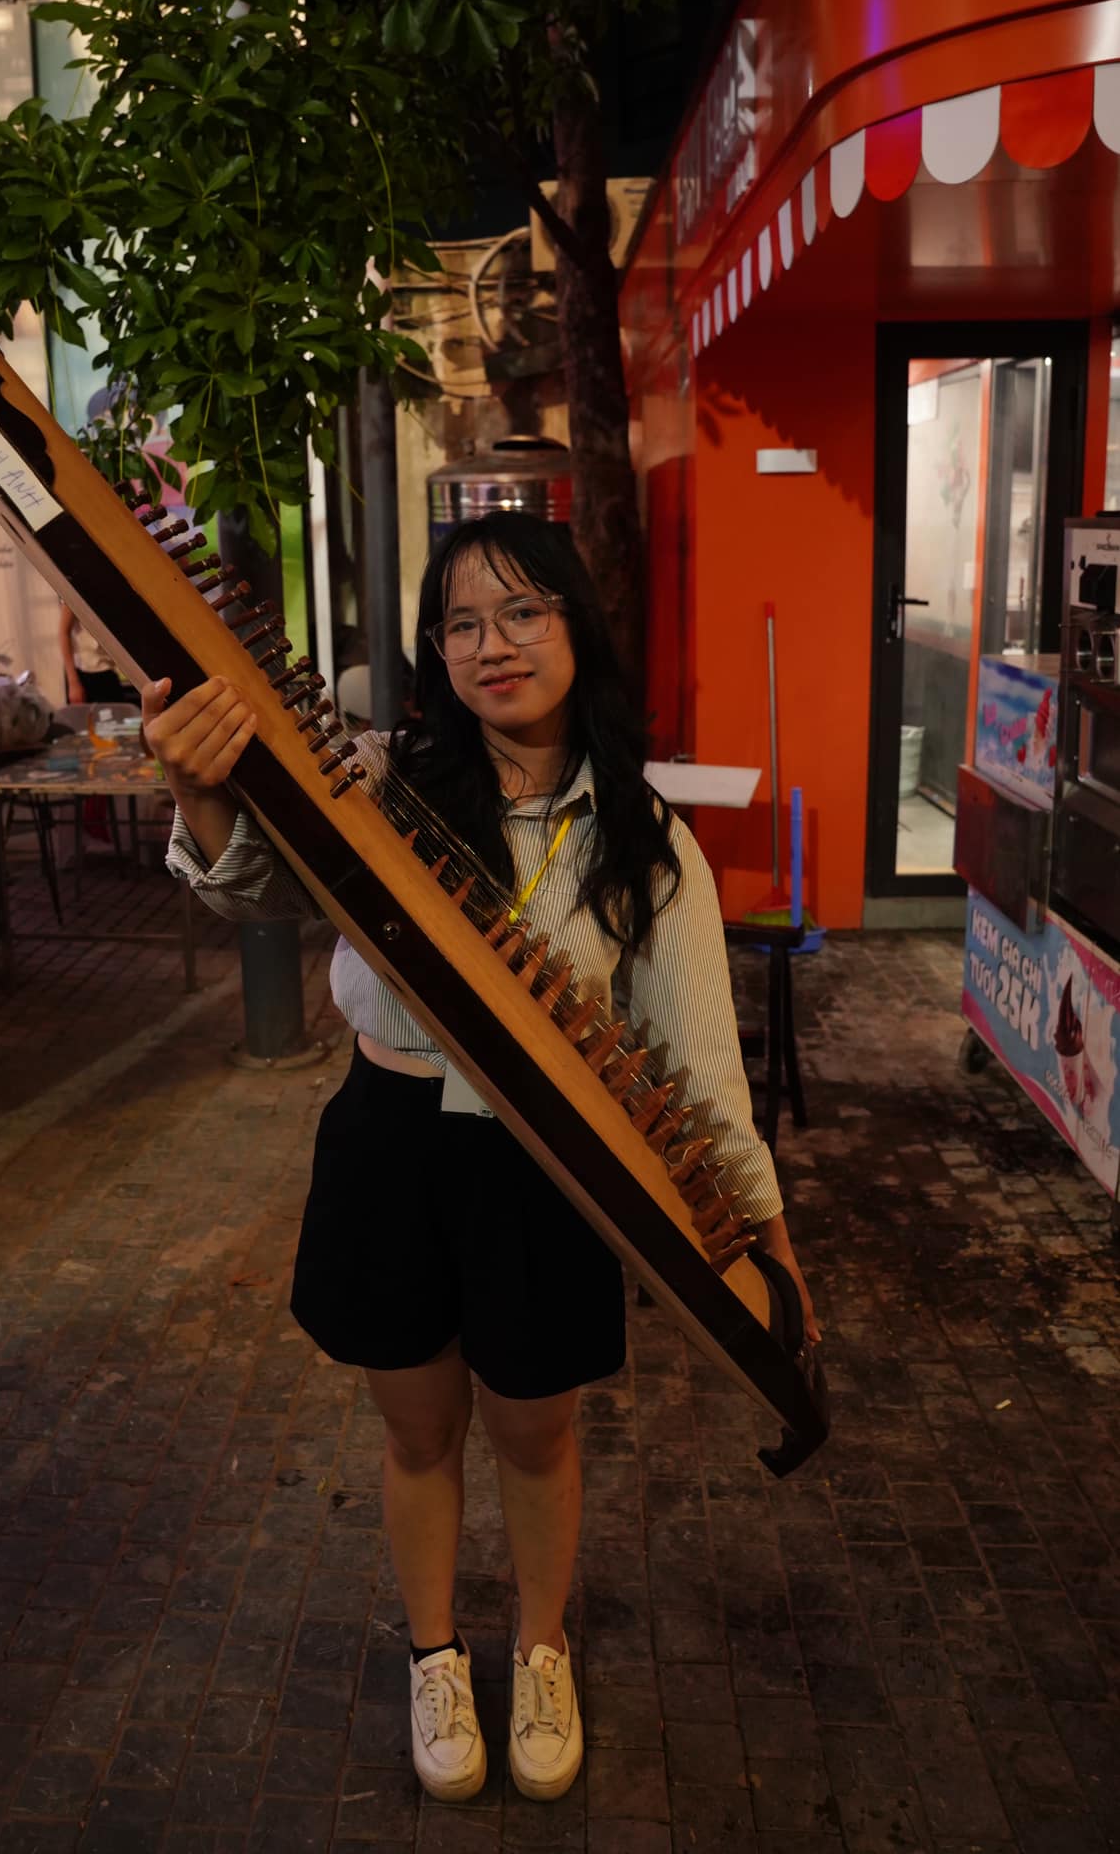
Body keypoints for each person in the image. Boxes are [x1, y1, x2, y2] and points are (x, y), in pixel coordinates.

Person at [142, 513, 820, 1807]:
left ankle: (544, 1649)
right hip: (388, 1144)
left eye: (521, 612)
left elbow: (701, 1068)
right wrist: (196, 784)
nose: (490, 644)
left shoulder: (641, 837)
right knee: (414, 1430)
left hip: (548, 1172)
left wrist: (769, 1251)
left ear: (576, 627)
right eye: (459, 622)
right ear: (430, 652)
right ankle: (437, 1653)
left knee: (535, 1427)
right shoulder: (376, 791)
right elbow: (248, 891)